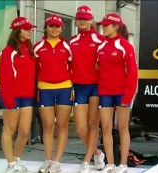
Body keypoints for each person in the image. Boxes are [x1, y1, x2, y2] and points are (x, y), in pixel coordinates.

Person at [96, 13, 138, 173]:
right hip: (105, 93)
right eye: (102, 25)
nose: (103, 28)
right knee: (105, 128)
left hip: (122, 93)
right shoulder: (101, 46)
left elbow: (132, 72)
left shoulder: (125, 46)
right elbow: (97, 67)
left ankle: (123, 165)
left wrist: (128, 95)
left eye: (106, 25)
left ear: (115, 26)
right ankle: (110, 164)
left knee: (122, 127)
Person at [33, 14, 73, 173]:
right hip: (45, 89)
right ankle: (48, 160)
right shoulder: (37, 47)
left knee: (62, 126)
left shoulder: (67, 47)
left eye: (57, 26)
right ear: (46, 27)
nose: (54, 29)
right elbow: (34, 70)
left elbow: (73, 67)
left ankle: (57, 162)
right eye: (51, 26)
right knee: (48, 126)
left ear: (61, 28)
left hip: (65, 88)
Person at [69, 5, 106, 173]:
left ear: (91, 20)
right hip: (79, 86)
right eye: (80, 18)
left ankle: (86, 160)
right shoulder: (72, 41)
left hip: (97, 86)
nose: (83, 21)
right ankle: (97, 152)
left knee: (93, 124)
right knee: (79, 127)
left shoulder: (100, 39)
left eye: (86, 18)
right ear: (76, 21)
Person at [0, 16, 37, 173]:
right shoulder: (9, 52)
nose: (30, 31)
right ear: (17, 31)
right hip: (12, 96)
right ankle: (11, 165)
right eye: (26, 29)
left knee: (25, 131)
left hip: (27, 96)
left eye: (30, 28)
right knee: (9, 129)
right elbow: (4, 77)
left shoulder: (30, 50)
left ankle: (17, 158)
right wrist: (8, 100)